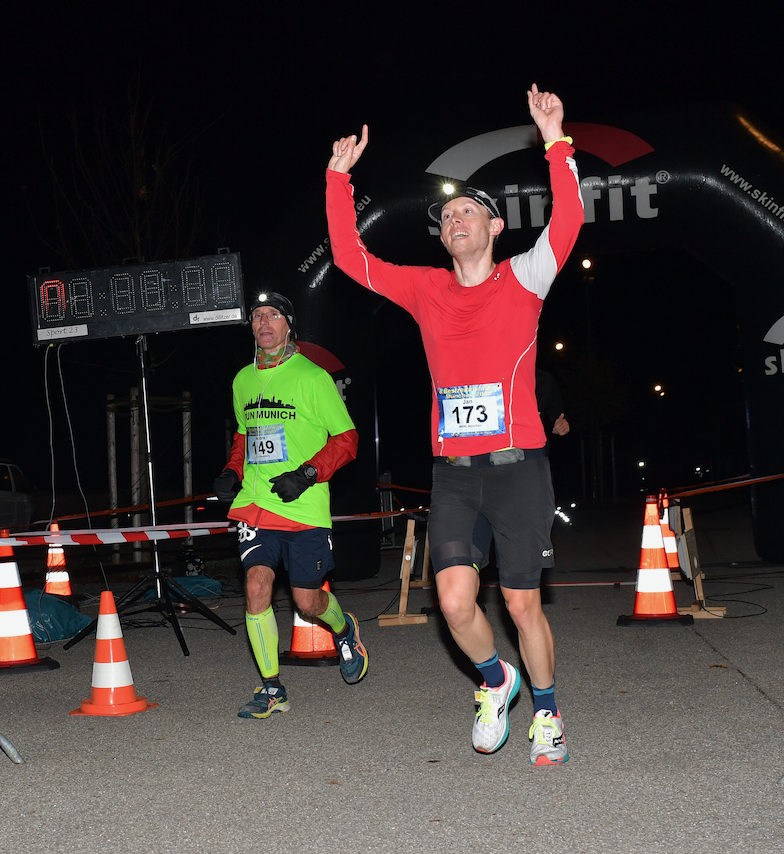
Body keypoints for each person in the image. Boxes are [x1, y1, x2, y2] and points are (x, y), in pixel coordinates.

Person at [325, 85, 583, 764]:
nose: (455, 219)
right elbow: (352, 260)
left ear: (495, 227)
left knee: (524, 605)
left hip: (520, 467)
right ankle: (496, 683)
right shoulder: (425, 288)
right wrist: (337, 179)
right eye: (447, 216)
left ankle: (549, 714)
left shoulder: (526, 277)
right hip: (455, 477)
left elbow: (569, 220)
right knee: (452, 600)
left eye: (469, 210)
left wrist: (555, 139)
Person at [214, 292, 366, 719]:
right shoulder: (242, 379)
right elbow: (245, 435)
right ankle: (271, 688)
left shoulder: (313, 378)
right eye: (257, 317)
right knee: (257, 586)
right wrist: (233, 470)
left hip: (303, 507)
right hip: (256, 505)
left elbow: (347, 439)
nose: (264, 323)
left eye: (273, 315)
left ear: (288, 324)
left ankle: (344, 628)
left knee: (306, 601)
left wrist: (307, 474)